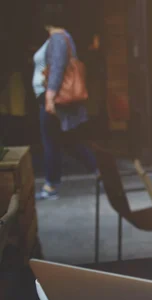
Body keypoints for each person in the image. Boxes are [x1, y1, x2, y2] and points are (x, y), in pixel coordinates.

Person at [32, 3, 97, 200]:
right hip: (53, 99)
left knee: (51, 142)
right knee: (70, 141)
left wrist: (50, 97)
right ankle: (100, 170)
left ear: (46, 21)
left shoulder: (59, 38)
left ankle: (52, 186)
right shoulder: (60, 37)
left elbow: (58, 68)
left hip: (53, 100)